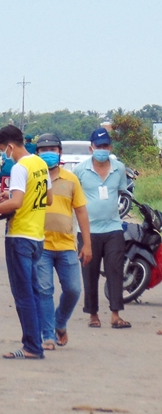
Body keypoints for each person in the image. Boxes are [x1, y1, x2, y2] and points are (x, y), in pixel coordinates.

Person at [0, 125, 53, 360]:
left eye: (3, 150)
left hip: (19, 236)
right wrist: (8, 198)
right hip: (37, 236)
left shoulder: (20, 168)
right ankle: (37, 340)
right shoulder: (40, 164)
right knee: (33, 292)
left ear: (10, 146)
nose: (4, 155)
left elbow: (16, 204)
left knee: (23, 295)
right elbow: (47, 199)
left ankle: (32, 346)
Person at [35, 134, 92, 350]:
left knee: (74, 289)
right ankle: (48, 335)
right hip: (41, 246)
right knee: (44, 291)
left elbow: (81, 212)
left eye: (52, 149)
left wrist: (87, 244)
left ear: (59, 152)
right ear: (37, 154)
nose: (48, 153)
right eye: (44, 150)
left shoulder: (71, 180)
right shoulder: (34, 180)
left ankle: (60, 322)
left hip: (67, 245)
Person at [73, 128, 131, 329]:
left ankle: (116, 315)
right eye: (98, 146)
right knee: (90, 272)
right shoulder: (80, 170)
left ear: (110, 148)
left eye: (105, 146)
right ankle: (93, 315)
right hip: (88, 231)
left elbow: (123, 192)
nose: (102, 150)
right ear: (91, 148)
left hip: (113, 228)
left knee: (115, 270)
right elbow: (74, 199)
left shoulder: (119, 168)